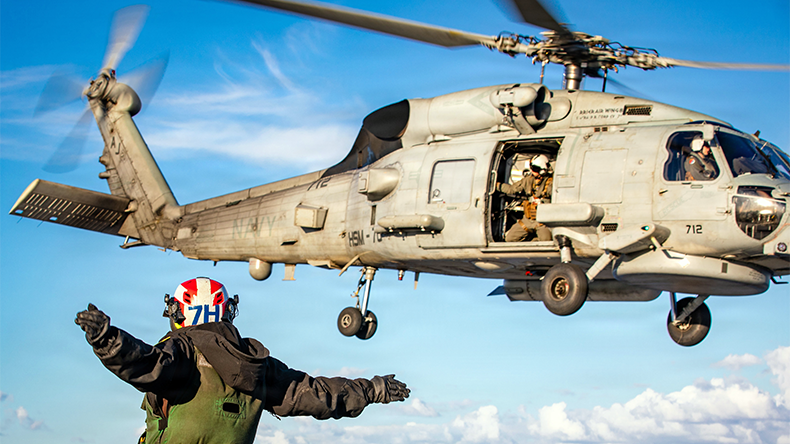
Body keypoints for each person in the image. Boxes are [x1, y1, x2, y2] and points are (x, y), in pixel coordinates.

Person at [75, 277, 409, 444]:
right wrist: (372, 388)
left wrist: (108, 340)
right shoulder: (256, 363)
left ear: (179, 313)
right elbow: (315, 394)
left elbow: (147, 365)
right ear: (226, 311)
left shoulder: (183, 348)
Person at [496, 154, 553, 242]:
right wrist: (497, 185)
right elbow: (512, 189)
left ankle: (535, 241)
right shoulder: (528, 180)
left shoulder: (551, 183)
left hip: (542, 222)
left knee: (547, 242)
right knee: (510, 238)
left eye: (535, 169)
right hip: (527, 220)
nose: (532, 171)